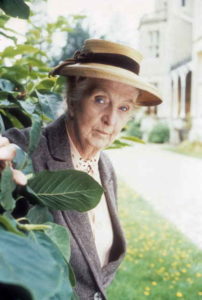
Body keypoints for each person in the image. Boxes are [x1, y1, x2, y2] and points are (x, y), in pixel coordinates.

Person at [0, 39, 162, 300]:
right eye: (100, 100)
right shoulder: (25, 149)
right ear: (73, 100)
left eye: (124, 107)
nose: (112, 119)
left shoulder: (104, 166)